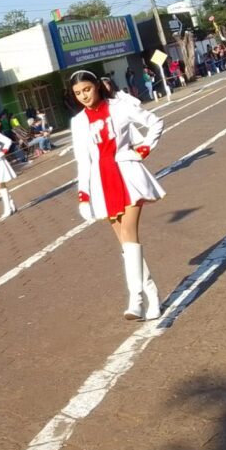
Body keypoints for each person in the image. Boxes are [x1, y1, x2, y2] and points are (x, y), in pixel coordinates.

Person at [69, 70, 166, 322]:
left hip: (127, 174)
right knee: (125, 244)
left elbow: (155, 121)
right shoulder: (78, 122)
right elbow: (83, 161)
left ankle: (136, 298)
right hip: (101, 181)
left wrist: (144, 148)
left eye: (87, 89)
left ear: (97, 87)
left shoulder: (120, 107)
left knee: (129, 234)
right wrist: (83, 195)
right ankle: (152, 293)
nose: (84, 96)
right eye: (78, 93)